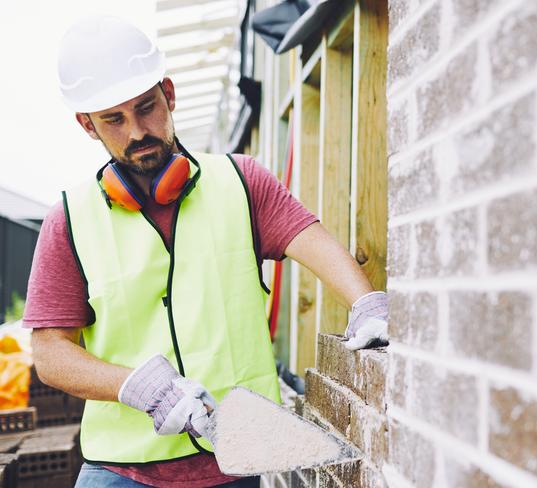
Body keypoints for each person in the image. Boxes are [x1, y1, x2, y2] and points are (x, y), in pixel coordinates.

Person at [22, 15, 388, 488]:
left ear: (169, 95)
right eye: (113, 119)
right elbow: (50, 353)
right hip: (121, 470)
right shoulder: (69, 221)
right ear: (87, 125)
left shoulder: (241, 183)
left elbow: (313, 241)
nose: (137, 132)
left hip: (234, 465)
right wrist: (133, 387)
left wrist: (366, 302)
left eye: (147, 107)